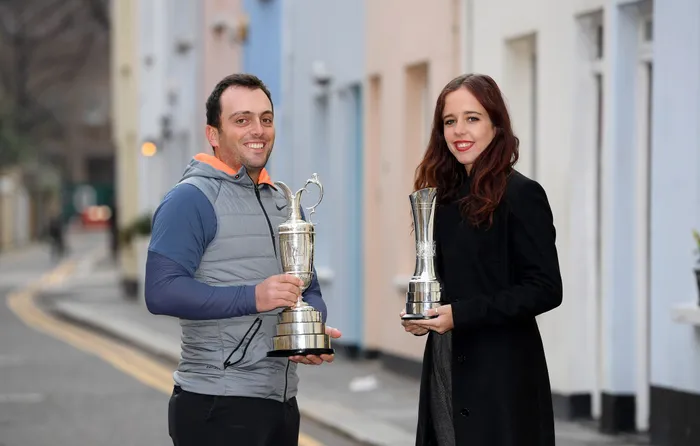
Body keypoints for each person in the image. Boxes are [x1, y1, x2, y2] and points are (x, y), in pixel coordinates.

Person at [145, 73, 341, 446]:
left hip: (281, 403)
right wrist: (254, 297)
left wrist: (308, 332)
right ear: (213, 134)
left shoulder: (283, 200)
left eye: (266, 119)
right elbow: (160, 291)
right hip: (217, 403)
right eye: (242, 120)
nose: (258, 130)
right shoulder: (190, 199)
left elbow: (308, 288)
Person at [401, 73, 563, 446]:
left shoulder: (522, 194)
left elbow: (545, 288)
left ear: (495, 124)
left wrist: (460, 314)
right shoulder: (442, 199)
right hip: (445, 365)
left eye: (472, 118)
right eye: (449, 121)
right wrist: (424, 316)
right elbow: (447, 284)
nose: (460, 130)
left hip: (501, 379)